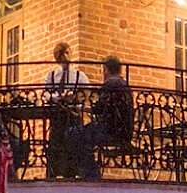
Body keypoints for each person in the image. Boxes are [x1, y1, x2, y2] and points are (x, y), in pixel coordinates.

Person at [68, 56, 133, 180]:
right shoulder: (125, 85)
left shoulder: (110, 84)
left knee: (73, 133)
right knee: (84, 132)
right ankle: (90, 170)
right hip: (125, 132)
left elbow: (100, 109)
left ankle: (91, 172)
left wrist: (82, 108)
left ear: (106, 70)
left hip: (109, 131)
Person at [43, 42, 90, 179]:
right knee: (56, 143)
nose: (64, 57)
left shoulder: (79, 76)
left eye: (66, 53)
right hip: (57, 116)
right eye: (61, 55)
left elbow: (86, 94)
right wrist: (59, 97)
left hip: (73, 115)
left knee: (73, 142)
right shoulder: (51, 76)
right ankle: (54, 171)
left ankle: (73, 171)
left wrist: (75, 97)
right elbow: (46, 94)